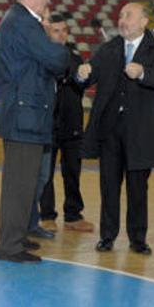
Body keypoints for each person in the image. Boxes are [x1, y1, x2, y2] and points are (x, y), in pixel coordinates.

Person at [77, 2, 154, 255]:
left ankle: (138, 238)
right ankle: (107, 236)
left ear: (144, 21)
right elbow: (91, 75)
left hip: (141, 131)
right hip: (110, 130)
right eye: (120, 15)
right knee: (108, 185)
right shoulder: (108, 48)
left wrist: (143, 73)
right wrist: (83, 73)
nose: (122, 20)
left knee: (138, 188)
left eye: (128, 16)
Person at [0, 0, 69, 263]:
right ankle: (10, 246)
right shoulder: (24, 23)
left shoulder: (18, 21)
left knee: (25, 185)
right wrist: (56, 46)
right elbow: (56, 59)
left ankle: (17, 238)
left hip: (25, 114)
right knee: (19, 186)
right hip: (24, 116)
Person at [37, 13, 94, 234]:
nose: (61, 35)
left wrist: (83, 76)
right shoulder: (41, 55)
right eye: (56, 30)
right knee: (46, 173)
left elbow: (81, 83)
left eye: (64, 30)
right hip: (47, 123)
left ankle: (73, 215)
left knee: (72, 171)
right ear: (47, 32)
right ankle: (47, 215)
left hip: (72, 123)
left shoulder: (75, 56)